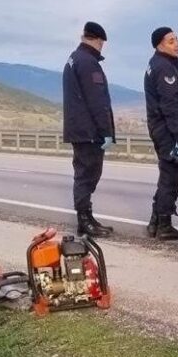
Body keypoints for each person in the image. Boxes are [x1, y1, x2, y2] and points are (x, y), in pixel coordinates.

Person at [62, 21, 115, 238]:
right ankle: (84, 221)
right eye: (102, 44)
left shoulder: (75, 58)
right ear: (98, 41)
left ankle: (87, 217)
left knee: (85, 174)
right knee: (87, 175)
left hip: (80, 128)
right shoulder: (88, 62)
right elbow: (97, 101)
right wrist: (106, 131)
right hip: (89, 131)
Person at [144, 27, 178, 241]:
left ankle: (155, 222)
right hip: (168, 131)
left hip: (161, 129)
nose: (177, 44)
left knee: (167, 176)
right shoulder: (164, 68)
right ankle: (164, 225)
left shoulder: (158, 64)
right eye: (171, 41)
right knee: (171, 178)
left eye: (176, 39)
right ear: (159, 45)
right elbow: (169, 105)